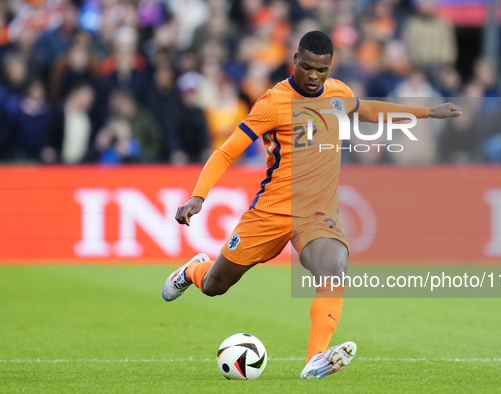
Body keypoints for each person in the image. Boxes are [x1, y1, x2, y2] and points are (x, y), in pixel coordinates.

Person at [162, 31, 462, 379]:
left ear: (329, 66)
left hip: (318, 215)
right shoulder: (273, 102)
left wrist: (427, 112)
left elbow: (369, 111)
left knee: (334, 270)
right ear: (295, 60)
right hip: (271, 212)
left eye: (321, 69)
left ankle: (315, 358)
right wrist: (199, 195)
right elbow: (227, 151)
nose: (313, 75)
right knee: (216, 285)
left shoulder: (338, 93)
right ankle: (192, 271)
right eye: (306, 67)